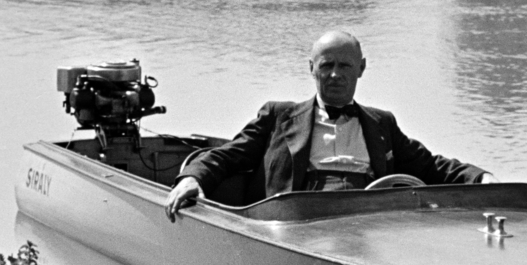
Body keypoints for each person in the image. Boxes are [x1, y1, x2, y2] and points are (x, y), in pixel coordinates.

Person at [164, 31, 495, 220]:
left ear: (361, 69)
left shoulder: (382, 123)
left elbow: (431, 165)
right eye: (327, 65)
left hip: (369, 214)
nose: (335, 74)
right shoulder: (278, 115)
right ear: (312, 68)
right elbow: (227, 155)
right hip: (301, 217)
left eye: (345, 66)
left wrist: (481, 177)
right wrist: (193, 179)